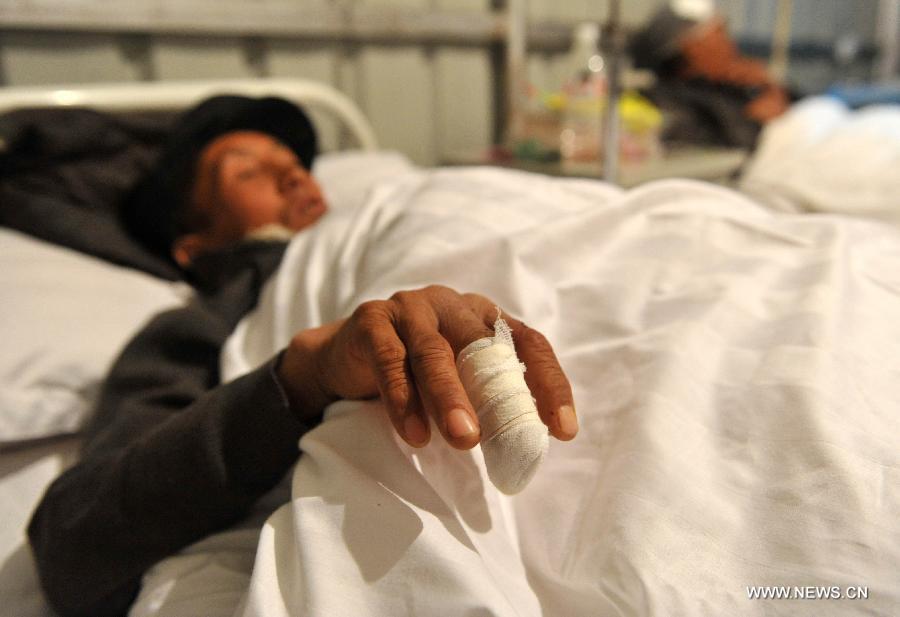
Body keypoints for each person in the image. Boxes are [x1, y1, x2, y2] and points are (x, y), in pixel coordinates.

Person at [27, 95, 579, 617]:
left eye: (293, 163)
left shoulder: (378, 216)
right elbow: (73, 540)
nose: (294, 174)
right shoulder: (195, 329)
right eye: (247, 173)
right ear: (194, 247)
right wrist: (303, 377)